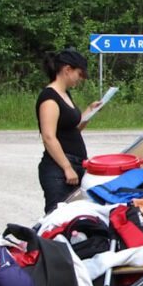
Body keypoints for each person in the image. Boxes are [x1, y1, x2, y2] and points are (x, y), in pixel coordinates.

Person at [36, 48, 101, 214]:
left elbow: (73, 129)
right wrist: (66, 167)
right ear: (67, 70)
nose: (80, 79)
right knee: (57, 217)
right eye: (79, 74)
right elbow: (49, 137)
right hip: (59, 170)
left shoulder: (65, 94)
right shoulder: (49, 98)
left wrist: (89, 112)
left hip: (76, 164)